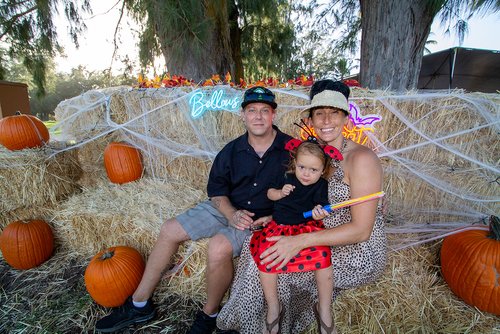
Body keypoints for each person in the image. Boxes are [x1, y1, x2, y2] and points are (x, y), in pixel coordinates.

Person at [95, 86, 292, 334]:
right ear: (243, 115)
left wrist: (275, 216)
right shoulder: (230, 151)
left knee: (218, 247)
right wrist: (230, 213)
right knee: (169, 229)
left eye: (265, 110)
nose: (258, 116)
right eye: (252, 110)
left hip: (259, 219)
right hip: (226, 208)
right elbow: (217, 190)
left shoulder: (291, 150)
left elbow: (304, 191)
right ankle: (139, 304)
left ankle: (210, 314)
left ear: (274, 114)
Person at [217, 80, 387, 333]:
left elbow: (361, 231)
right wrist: (277, 219)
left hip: (353, 248)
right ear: (311, 119)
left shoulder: (361, 159)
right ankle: (263, 316)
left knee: (272, 262)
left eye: (334, 113)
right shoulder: (313, 154)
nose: (327, 120)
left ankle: (311, 312)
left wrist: (298, 242)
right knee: (260, 252)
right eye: (320, 113)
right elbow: (299, 198)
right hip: (311, 227)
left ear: (345, 118)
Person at [252, 138, 342, 334]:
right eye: (302, 167)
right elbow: (269, 194)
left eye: (313, 170)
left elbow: (321, 205)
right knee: (266, 258)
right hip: (280, 226)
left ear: (323, 169)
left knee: (324, 258)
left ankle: (324, 308)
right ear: (295, 163)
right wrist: (280, 193)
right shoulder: (286, 177)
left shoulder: (321, 186)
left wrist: (320, 211)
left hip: (306, 228)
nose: (306, 174)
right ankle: (274, 306)